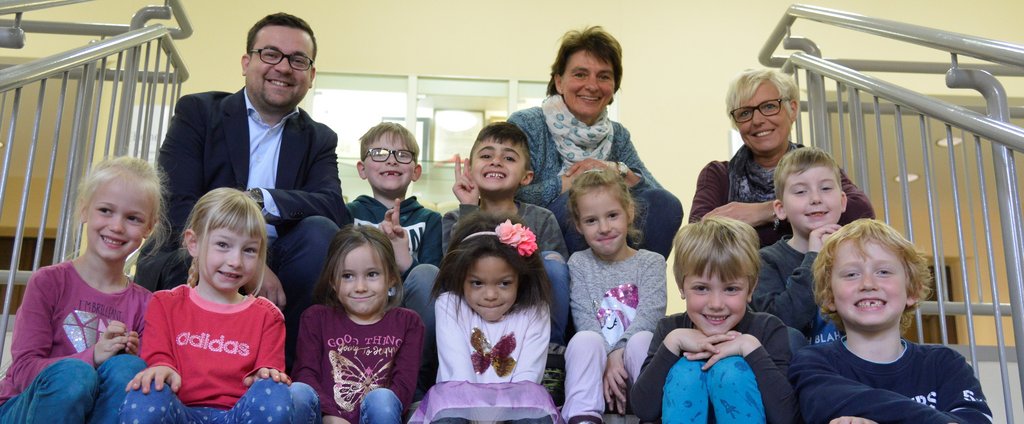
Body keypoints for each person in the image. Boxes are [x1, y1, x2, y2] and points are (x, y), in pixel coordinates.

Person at [135, 12, 349, 368]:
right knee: (184, 257)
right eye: (271, 54)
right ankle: (177, 372)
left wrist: (261, 200)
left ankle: (285, 373)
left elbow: (333, 207)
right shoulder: (198, 112)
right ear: (246, 62)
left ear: (311, 76)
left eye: (298, 60)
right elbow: (177, 203)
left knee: (320, 233)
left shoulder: (319, 138)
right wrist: (248, 264)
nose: (283, 67)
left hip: (282, 260)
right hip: (198, 251)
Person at [120, 188, 319, 423]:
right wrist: (161, 368)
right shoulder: (164, 304)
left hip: (240, 417)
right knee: (148, 389)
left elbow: (268, 380)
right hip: (180, 414)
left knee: (278, 390)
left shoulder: (268, 316)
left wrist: (267, 376)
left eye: (249, 250)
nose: (235, 261)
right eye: (223, 245)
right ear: (193, 243)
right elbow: (158, 358)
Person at [0, 157, 159, 423]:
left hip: (91, 413)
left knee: (129, 367)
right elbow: (23, 371)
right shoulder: (49, 282)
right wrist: (93, 356)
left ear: (149, 227)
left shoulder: (147, 304)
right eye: (105, 210)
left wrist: (129, 360)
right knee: (74, 373)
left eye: (132, 218)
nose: (117, 226)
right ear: (84, 210)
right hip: (22, 408)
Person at [789, 219, 993, 423]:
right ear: (829, 296)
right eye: (851, 274)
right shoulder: (813, 363)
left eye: (883, 272)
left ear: (912, 291)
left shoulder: (945, 364)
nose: (868, 284)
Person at [507, 26, 682, 259]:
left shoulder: (617, 135)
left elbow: (657, 197)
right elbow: (507, 195)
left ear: (613, 88)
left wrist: (618, 171)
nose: (592, 85)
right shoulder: (528, 124)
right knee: (585, 199)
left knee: (665, 203)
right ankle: (583, 282)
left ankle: (639, 277)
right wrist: (566, 183)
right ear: (559, 82)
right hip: (546, 245)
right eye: (580, 74)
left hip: (609, 246)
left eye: (603, 76)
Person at [632, 217, 799, 424]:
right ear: (681, 286)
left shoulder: (767, 329)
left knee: (731, 371)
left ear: (751, 288)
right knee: (686, 372)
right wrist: (672, 342)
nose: (716, 304)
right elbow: (643, 409)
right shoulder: (670, 329)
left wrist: (751, 348)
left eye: (731, 289)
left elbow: (786, 417)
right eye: (701, 288)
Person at [688, 68, 873, 247]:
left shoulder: (816, 166)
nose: (757, 120)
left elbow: (861, 212)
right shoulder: (718, 175)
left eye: (769, 106)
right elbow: (696, 240)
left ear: (792, 109)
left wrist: (765, 211)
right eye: (745, 113)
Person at [410, 212, 558, 424]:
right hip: (460, 408)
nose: (490, 295)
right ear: (461, 278)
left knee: (536, 416)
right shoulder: (449, 305)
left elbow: (527, 381)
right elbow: (458, 375)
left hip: (515, 411)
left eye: (504, 283)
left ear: (521, 279)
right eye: (477, 283)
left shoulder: (535, 311)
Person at [442, 121, 570, 345]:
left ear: (526, 177)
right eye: (486, 156)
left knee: (554, 262)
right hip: (472, 320)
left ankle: (552, 348)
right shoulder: (454, 218)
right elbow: (453, 275)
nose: (496, 162)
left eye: (509, 158)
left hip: (530, 319)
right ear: (470, 169)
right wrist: (469, 209)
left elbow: (557, 276)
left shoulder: (542, 218)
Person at [561, 168, 666, 423]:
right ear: (579, 225)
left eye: (612, 215)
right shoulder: (579, 263)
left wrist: (617, 352)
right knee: (584, 339)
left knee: (643, 339)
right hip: (597, 368)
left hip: (637, 367)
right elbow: (584, 318)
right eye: (591, 221)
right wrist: (608, 357)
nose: (604, 228)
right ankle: (582, 415)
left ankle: (653, 415)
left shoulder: (651, 262)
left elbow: (650, 315)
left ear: (629, 212)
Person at [294, 225, 424, 423]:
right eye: (347, 276)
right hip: (324, 419)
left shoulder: (408, 323)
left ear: (391, 277)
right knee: (298, 391)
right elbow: (305, 374)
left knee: (382, 399)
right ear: (333, 281)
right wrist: (330, 416)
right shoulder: (315, 319)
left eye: (372, 274)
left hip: (379, 416)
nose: (360, 287)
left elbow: (403, 388)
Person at [754, 147, 846, 344]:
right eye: (801, 191)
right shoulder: (766, 260)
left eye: (826, 188)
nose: (816, 199)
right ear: (780, 209)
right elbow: (778, 326)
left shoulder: (858, 254)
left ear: (843, 201)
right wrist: (813, 258)